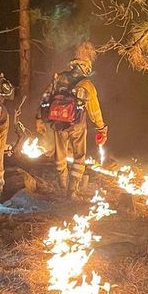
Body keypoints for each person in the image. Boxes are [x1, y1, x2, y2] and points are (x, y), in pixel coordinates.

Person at [36, 44, 107, 197]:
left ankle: (62, 183)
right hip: (77, 125)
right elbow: (95, 111)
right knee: (79, 156)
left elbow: (45, 98)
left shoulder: (59, 78)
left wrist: (39, 118)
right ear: (87, 67)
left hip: (58, 123)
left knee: (59, 156)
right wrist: (102, 128)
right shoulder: (87, 85)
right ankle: (72, 191)